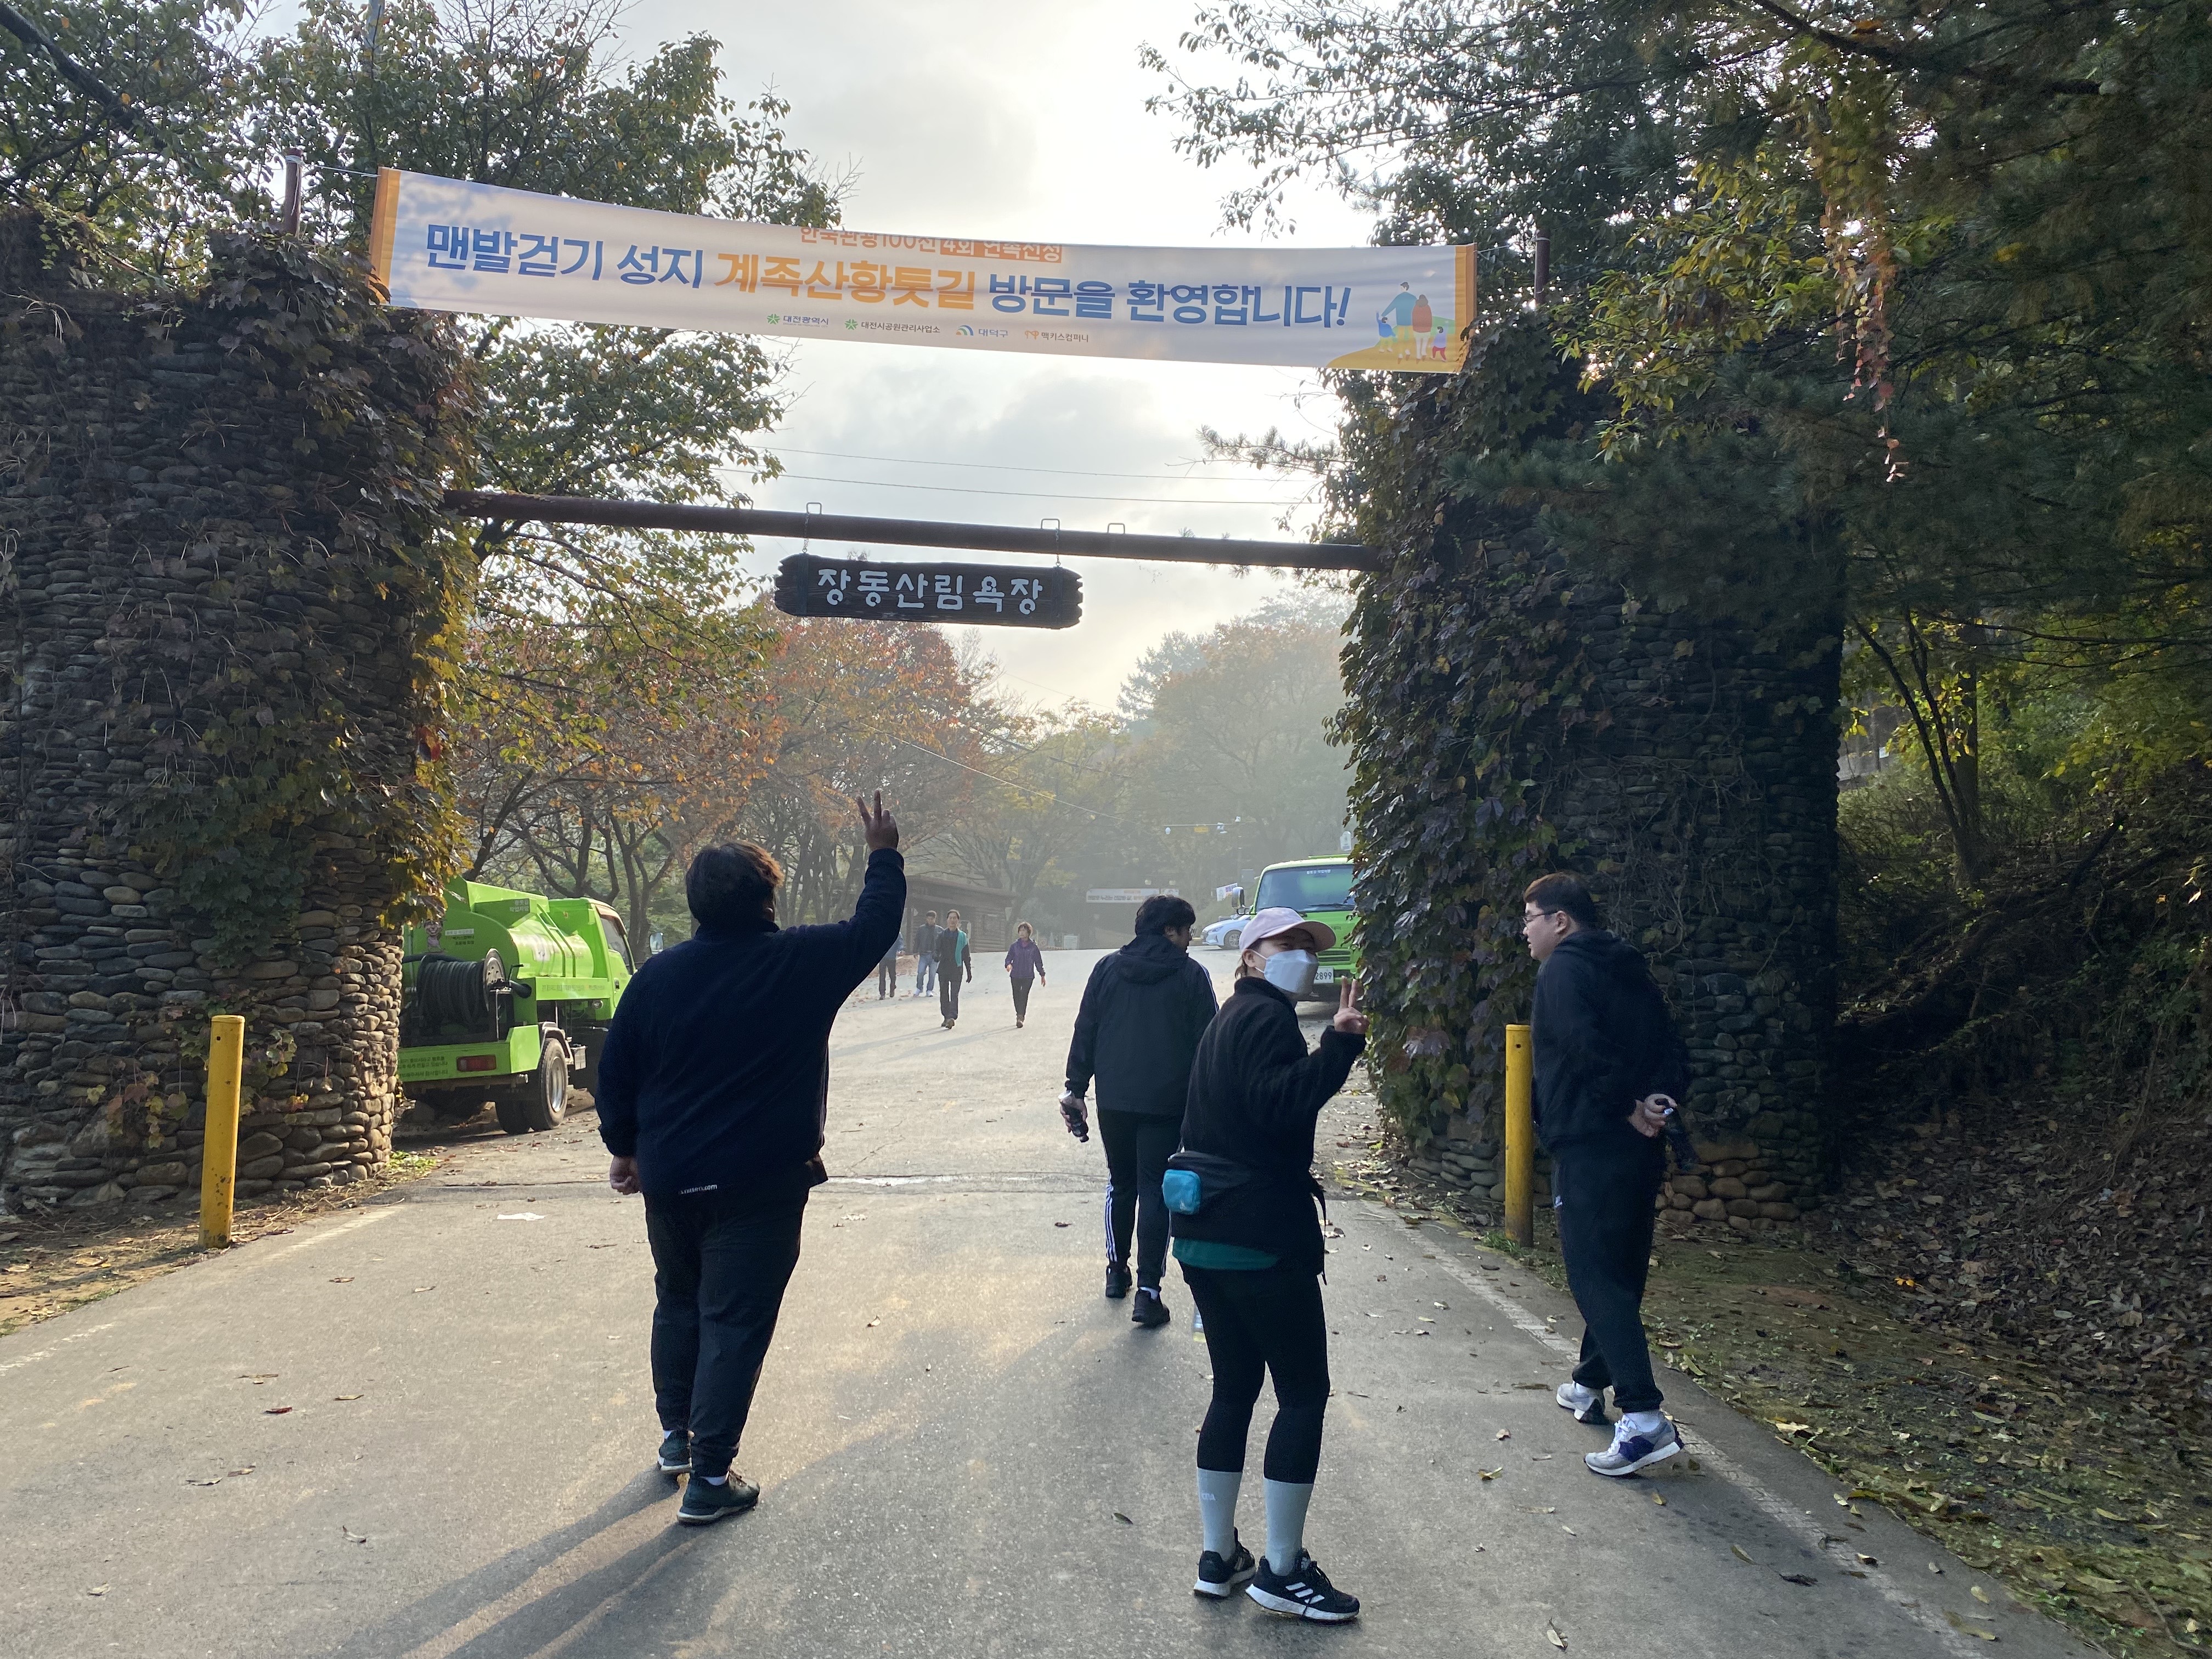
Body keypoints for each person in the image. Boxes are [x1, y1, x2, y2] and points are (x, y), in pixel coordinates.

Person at [596, 793, 903, 1525]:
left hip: (672, 1177)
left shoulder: (656, 978)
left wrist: (624, 1148)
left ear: (696, 904)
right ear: (769, 899)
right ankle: (709, 1476)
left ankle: (678, 1437)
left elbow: (616, 1072)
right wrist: (884, 854)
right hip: (762, 1181)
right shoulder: (800, 962)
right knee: (734, 1320)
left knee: (679, 1301)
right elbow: (874, 927)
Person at [1170, 906, 1366, 1618]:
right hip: (1258, 1235)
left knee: (1234, 1389)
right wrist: (1339, 1048)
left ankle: (1218, 1555)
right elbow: (1280, 1106)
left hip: (1202, 1231)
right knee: (1303, 1394)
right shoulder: (1268, 1019)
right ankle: (1283, 1571)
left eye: (1309, 947)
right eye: (1287, 944)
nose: (1302, 956)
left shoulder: (1229, 1018)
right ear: (1251, 955)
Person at [1521, 870, 1691, 1479]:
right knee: (1619, 1267)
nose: (1525, 932)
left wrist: (1625, 1106)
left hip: (1592, 1141)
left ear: (1560, 920)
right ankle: (1590, 1381)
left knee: (1593, 1273)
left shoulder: (1562, 970)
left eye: (1530, 919)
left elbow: (1582, 1047)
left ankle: (1643, 1417)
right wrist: (1657, 1102)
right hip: (1641, 1146)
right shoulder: (1629, 965)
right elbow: (1670, 1044)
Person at [1059, 894, 1217, 1328]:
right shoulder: (1191, 975)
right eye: (1187, 931)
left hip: (1114, 1100)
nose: (1190, 939)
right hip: (1168, 1103)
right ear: (1169, 931)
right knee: (1155, 1189)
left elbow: (1086, 1029)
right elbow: (1209, 1044)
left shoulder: (1107, 969)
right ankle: (1149, 1292)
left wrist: (1076, 1089)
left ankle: (1116, 1271)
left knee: (1121, 1183)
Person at [1003, 921, 1046, 1027]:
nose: (1022, 933)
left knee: (1024, 995)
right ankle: (1019, 1013)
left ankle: (1021, 1017)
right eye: (1020, 931)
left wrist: (1042, 975)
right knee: (1016, 995)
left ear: (1028, 932)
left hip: (1028, 976)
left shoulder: (1033, 947)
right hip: (1015, 975)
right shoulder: (1014, 946)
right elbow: (1009, 958)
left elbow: (1038, 962)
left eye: (1024, 930)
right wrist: (1008, 965)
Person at [934, 909, 970, 1028]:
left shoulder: (963, 937)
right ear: (947, 920)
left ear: (958, 921)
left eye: (955, 918)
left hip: (957, 968)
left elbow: (966, 955)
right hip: (944, 968)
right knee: (944, 994)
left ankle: (952, 1017)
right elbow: (937, 950)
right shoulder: (942, 935)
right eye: (950, 918)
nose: (952, 920)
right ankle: (946, 1017)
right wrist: (936, 956)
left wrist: (969, 971)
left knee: (954, 994)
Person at [912, 910, 939, 998]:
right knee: (920, 972)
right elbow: (917, 940)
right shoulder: (921, 929)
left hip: (934, 956)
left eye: (932, 919)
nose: (930, 921)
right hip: (924, 954)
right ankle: (919, 988)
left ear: (935, 919)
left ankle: (929, 990)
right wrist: (915, 951)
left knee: (932, 974)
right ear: (926, 919)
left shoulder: (939, 930)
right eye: (929, 919)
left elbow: (942, 943)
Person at [877, 929, 903, 1000]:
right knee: (882, 976)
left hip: (892, 957)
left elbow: (900, 943)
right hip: (882, 957)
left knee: (892, 975)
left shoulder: (897, 933)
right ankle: (882, 993)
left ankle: (892, 988)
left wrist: (899, 950)